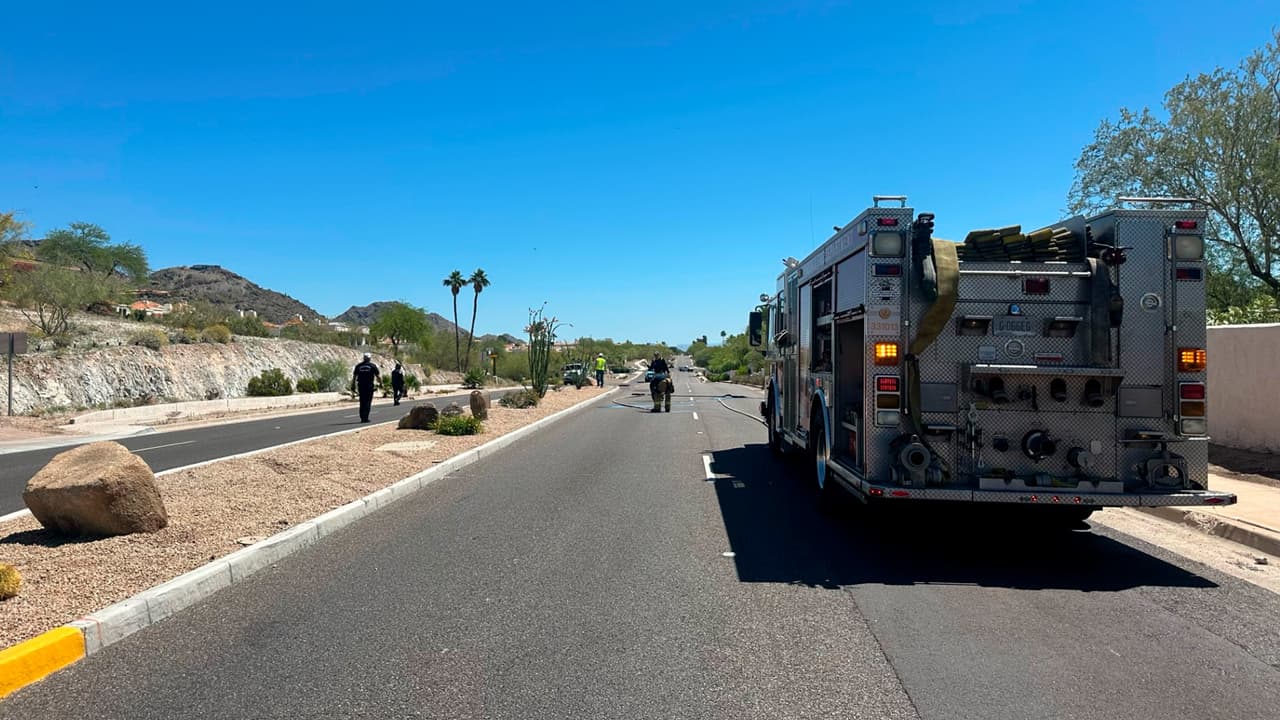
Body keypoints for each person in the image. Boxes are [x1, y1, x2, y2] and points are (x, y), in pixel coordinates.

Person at [352, 352, 381, 423]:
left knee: (362, 401)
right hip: (369, 386)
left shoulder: (358, 366)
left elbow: (354, 376)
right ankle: (366, 417)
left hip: (361, 386)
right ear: (369, 358)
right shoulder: (372, 366)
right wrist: (381, 383)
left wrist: (353, 385)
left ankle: (362, 417)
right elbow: (378, 376)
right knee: (368, 401)